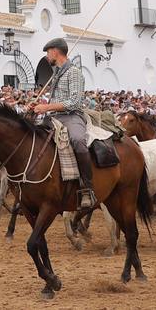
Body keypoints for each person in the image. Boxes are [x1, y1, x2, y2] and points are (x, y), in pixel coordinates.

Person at [32, 37, 96, 211]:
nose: (47, 56)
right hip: (53, 117)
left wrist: (46, 107)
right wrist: (38, 106)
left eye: (48, 52)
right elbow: (55, 99)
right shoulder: (57, 73)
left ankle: (87, 188)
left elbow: (74, 102)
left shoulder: (74, 72)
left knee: (78, 141)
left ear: (55, 51)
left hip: (71, 116)